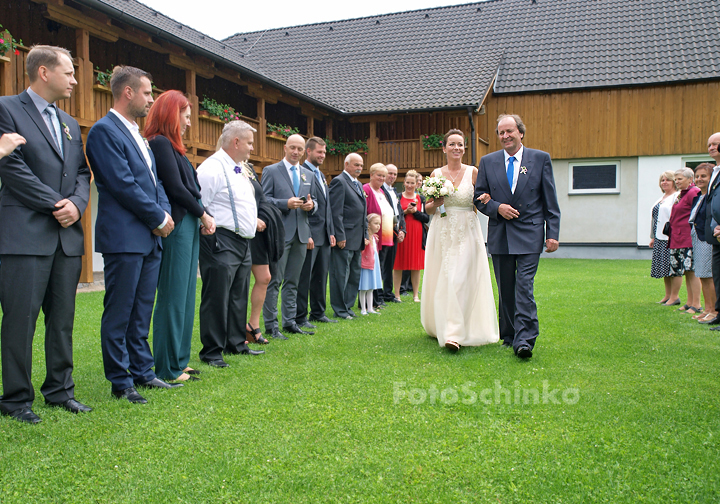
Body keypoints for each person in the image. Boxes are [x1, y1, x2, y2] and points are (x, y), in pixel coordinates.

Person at [0, 45, 92, 423]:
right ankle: (16, 399)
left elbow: (83, 174)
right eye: (69, 72)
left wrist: (79, 205)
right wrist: (59, 205)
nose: (74, 79)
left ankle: (59, 390)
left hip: (65, 240)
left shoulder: (70, 123)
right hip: (25, 235)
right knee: (20, 320)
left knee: (63, 319)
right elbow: (12, 170)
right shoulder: (6, 109)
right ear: (43, 72)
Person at [86, 65, 181, 405]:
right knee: (120, 311)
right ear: (128, 92)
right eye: (147, 93)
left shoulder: (138, 135)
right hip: (124, 238)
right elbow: (121, 183)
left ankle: (144, 371)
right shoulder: (103, 131)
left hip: (149, 237)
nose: (150, 100)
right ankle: (120, 380)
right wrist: (157, 216)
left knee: (142, 310)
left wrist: (164, 214)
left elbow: (153, 182)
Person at [474, 114, 561, 359]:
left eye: (510, 131)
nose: (505, 136)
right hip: (500, 234)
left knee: (524, 286)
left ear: (520, 132)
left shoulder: (540, 159)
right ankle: (509, 334)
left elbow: (550, 200)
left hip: (530, 233)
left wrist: (552, 233)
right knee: (506, 288)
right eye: (501, 132)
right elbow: (479, 198)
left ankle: (525, 340)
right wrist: (497, 208)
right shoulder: (488, 162)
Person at [144, 90, 216, 382]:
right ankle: (167, 366)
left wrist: (200, 214)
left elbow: (189, 188)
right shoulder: (160, 143)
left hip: (188, 223)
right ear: (171, 115)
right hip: (178, 225)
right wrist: (203, 214)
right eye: (185, 116)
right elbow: (175, 187)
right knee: (173, 296)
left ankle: (180, 359)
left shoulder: (175, 148)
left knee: (186, 295)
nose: (188, 123)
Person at [421, 130, 499, 352]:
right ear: (444, 148)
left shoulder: (473, 172)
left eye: (461, 145)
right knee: (445, 278)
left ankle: (454, 334)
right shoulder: (436, 173)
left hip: (467, 230)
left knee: (460, 278)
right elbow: (427, 207)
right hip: (443, 229)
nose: (457, 148)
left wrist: (487, 198)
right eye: (452, 144)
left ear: (464, 148)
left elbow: (484, 198)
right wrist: (436, 202)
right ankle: (444, 324)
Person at [196, 120, 265, 367]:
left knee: (238, 295)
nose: (251, 148)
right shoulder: (212, 167)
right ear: (235, 142)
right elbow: (199, 203)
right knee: (217, 296)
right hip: (221, 240)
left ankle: (236, 343)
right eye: (249, 142)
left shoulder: (239, 168)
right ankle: (212, 351)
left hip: (243, 242)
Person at [261, 134, 318, 338]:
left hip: (301, 235)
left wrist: (312, 205)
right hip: (280, 234)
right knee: (274, 280)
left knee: (293, 281)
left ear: (304, 152)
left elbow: (315, 201)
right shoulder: (271, 171)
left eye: (299, 149)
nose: (295, 152)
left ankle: (290, 321)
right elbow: (264, 200)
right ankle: (271, 325)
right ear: (285, 148)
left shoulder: (307, 175)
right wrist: (285, 203)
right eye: (292, 148)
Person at [296, 137, 337, 326]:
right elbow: (303, 204)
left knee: (321, 276)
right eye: (319, 152)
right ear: (308, 152)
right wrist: (308, 234)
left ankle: (318, 312)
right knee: (305, 277)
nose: (322, 155)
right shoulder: (302, 173)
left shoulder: (321, 175)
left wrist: (331, 232)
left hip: (325, 235)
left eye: (324, 152)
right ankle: (300, 315)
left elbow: (327, 208)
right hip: (310, 234)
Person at [246, 160, 282, 345]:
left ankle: (253, 325)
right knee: (240, 281)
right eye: (248, 142)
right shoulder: (227, 166)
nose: (251, 147)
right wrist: (253, 220)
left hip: (259, 232)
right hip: (243, 229)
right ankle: (235, 327)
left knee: (265, 277)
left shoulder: (249, 167)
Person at [329, 153, 368, 320]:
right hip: (344, 237)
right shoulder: (339, 182)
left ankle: (348, 307)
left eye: (361, 165)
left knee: (354, 274)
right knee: (340, 275)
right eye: (355, 164)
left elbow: (363, 212)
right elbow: (335, 212)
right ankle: (339, 309)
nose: (359, 168)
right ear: (346, 164)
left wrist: (365, 234)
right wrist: (340, 235)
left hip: (357, 237)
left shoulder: (358, 184)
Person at [666, 168, 701, 311]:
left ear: (690, 179)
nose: (677, 181)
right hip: (678, 238)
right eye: (676, 178)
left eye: (680, 178)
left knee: (692, 271)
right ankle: (689, 302)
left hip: (688, 238)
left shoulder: (694, 192)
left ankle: (697, 304)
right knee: (686, 271)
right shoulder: (682, 194)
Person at [362, 163, 394, 309]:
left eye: (383, 175)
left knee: (382, 269)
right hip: (373, 237)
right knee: (373, 268)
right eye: (379, 175)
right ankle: (372, 300)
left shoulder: (382, 191)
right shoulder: (366, 190)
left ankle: (379, 298)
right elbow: (365, 213)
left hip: (386, 236)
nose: (382, 178)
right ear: (371, 175)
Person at [688, 163, 716, 323]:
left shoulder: (712, 197)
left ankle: (713, 310)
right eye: (697, 176)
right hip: (697, 238)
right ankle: (707, 309)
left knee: (709, 275)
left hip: (707, 239)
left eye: (703, 176)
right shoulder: (699, 197)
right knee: (702, 275)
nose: (699, 179)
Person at [393, 170, 425, 302]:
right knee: (398, 263)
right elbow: (395, 215)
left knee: (416, 264)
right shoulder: (398, 197)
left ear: (416, 184)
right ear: (404, 183)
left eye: (413, 183)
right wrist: (405, 211)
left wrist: (416, 211)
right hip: (403, 231)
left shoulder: (420, 198)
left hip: (417, 232)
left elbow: (425, 217)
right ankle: (397, 294)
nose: (410, 185)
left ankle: (415, 295)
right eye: (408, 182)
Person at [649, 171, 678, 304]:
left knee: (673, 267)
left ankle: (674, 296)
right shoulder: (662, 198)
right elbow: (656, 219)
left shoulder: (676, 196)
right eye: (662, 180)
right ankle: (667, 295)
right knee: (664, 268)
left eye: (668, 180)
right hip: (660, 237)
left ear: (674, 182)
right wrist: (653, 237)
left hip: (671, 237)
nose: (664, 182)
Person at [379, 164, 406, 303]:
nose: (392, 176)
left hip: (395, 231)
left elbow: (400, 212)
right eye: (390, 173)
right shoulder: (380, 190)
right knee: (382, 264)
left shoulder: (395, 191)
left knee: (390, 264)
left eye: (395, 174)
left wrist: (403, 230)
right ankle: (378, 295)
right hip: (384, 231)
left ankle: (388, 294)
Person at [704, 132, 720, 329]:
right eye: (709, 145)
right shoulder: (715, 170)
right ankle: (718, 313)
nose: (711, 147)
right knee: (717, 275)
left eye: (716, 144)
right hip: (715, 233)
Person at [359, 213, 382, 315]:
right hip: (366, 264)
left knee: (371, 287)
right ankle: (363, 308)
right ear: (368, 225)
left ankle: (370, 308)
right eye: (376, 223)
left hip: (373, 264)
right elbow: (362, 252)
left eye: (379, 224)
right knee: (364, 287)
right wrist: (364, 245)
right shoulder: (366, 239)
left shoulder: (374, 238)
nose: (378, 226)